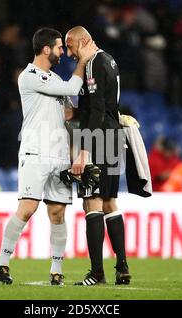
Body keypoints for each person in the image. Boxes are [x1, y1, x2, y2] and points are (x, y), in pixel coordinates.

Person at [0, 27, 97, 286]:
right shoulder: (30, 76)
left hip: (59, 154)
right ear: (46, 49)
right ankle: (1, 264)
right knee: (27, 209)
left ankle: (56, 270)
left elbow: (69, 112)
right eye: (60, 47)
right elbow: (72, 85)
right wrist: (83, 60)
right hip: (35, 151)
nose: (63, 51)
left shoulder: (53, 82)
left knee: (58, 212)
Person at [65, 26, 131, 286]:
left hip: (99, 139)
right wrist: (76, 114)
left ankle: (97, 273)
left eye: (71, 47)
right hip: (113, 138)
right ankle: (122, 267)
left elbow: (98, 112)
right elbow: (100, 105)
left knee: (91, 203)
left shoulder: (92, 64)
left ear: (83, 42)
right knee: (109, 203)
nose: (69, 53)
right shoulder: (109, 60)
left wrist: (84, 150)